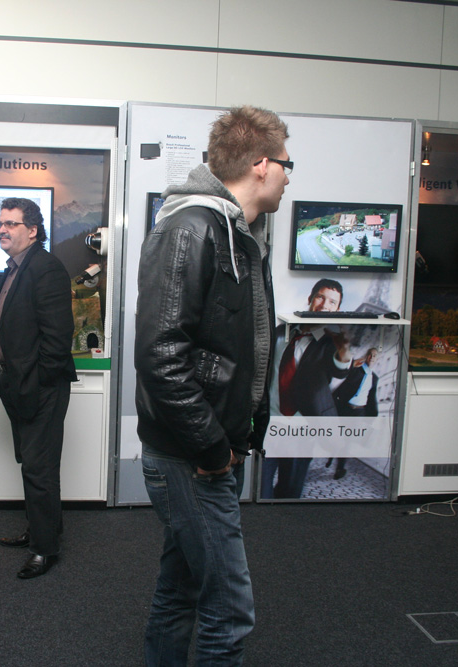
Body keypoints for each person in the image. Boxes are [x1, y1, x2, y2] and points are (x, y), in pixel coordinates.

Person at [135, 105, 287, 665]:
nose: (289, 177)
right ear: (262, 164)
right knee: (228, 608)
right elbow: (160, 354)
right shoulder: (192, 227)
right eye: (287, 165)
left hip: (208, 447)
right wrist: (211, 448)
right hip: (192, 457)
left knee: (181, 589)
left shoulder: (238, 232)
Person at [0, 197, 76, 579]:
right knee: (31, 463)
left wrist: (37, 385)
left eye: (11, 224)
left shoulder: (46, 269)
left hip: (39, 389)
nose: (2, 230)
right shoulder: (16, 267)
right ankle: (41, 529)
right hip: (15, 384)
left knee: (40, 468)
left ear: (33, 231)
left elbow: (58, 341)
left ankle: (44, 550)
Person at [266, 278, 352, 498]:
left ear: (337, 309)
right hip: (269, 423)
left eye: (332, 302)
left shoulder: (331, 343)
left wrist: (344, 351)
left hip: (303, 428)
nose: (325, 305)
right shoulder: (281, 331)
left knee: (290, 491)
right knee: (261, 486)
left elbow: (340, 370)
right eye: (320, 297)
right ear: (310, 299)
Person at [327, 347, 380, 479]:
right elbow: (342, 385)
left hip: (359, 412)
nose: (372, 357)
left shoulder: (374, 378)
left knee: (348, 440)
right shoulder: (356, 371)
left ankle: (340, 468)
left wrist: (372, 416)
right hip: (345, 408)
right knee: (338, 437)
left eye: (374, 356)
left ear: (377, 359)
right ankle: (331, 456)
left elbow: (371, 397)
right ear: (366, 356)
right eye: (370, 355)